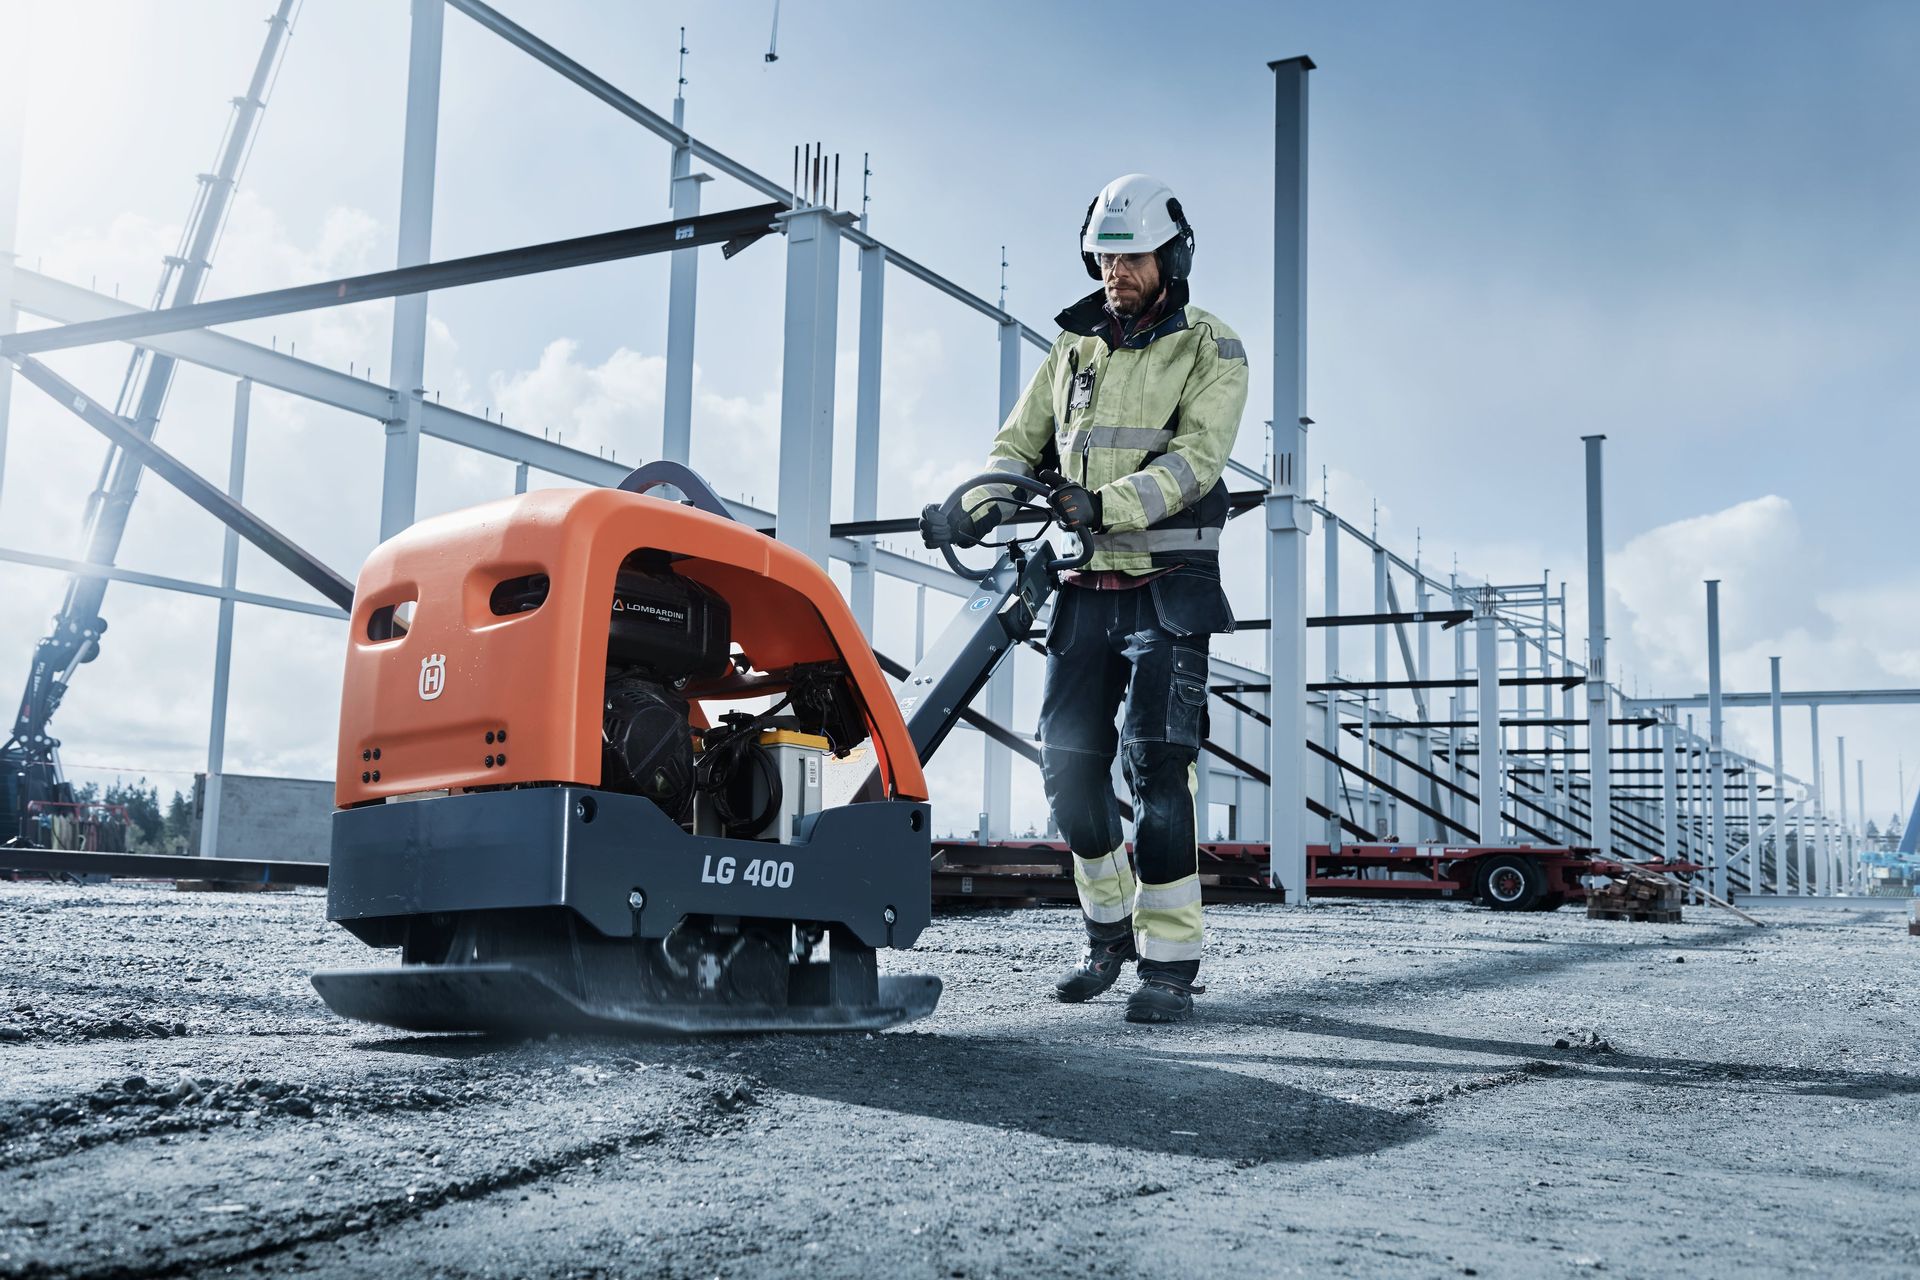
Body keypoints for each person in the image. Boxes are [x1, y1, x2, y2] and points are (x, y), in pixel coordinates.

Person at [920, 174, 1248, 1023]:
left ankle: (1169, 966)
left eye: (1131, 257)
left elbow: (1196, 463)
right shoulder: (1073, 348)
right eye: (1105, 257)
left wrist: (1106, 505)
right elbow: (1017, 447)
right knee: (1069, 775)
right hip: (1087, 591)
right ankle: (1108, 938)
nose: (1115, 272)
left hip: (1169, 591)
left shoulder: (1212, 347)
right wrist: (970, 505)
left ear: (1170, 256)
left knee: (1156, 765)